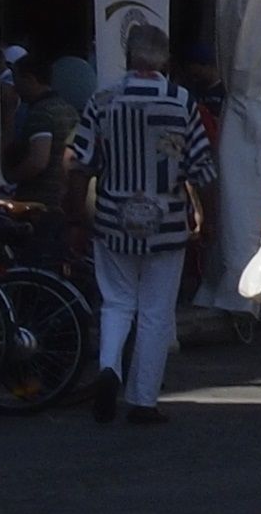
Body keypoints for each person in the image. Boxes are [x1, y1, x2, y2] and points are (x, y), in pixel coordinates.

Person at [73, 24, 213, 428]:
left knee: (117, 301)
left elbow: (79, 159)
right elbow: (201, 166)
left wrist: (78, 214)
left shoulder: (103, 98)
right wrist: (205, 215)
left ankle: (109, 366)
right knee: (155, 311)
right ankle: (143, 400)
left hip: (114, 215)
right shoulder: (181, 101)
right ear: (165, 60)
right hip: (166, 219)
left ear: (130, 57)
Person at [0, 50, 67, 198]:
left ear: (30, 80)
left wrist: (6, 180)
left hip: (41, 200)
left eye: (17, 81)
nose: (14, 88)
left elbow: (38, 161)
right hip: (61, 197)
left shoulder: (41, 113)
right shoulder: (65, 108)